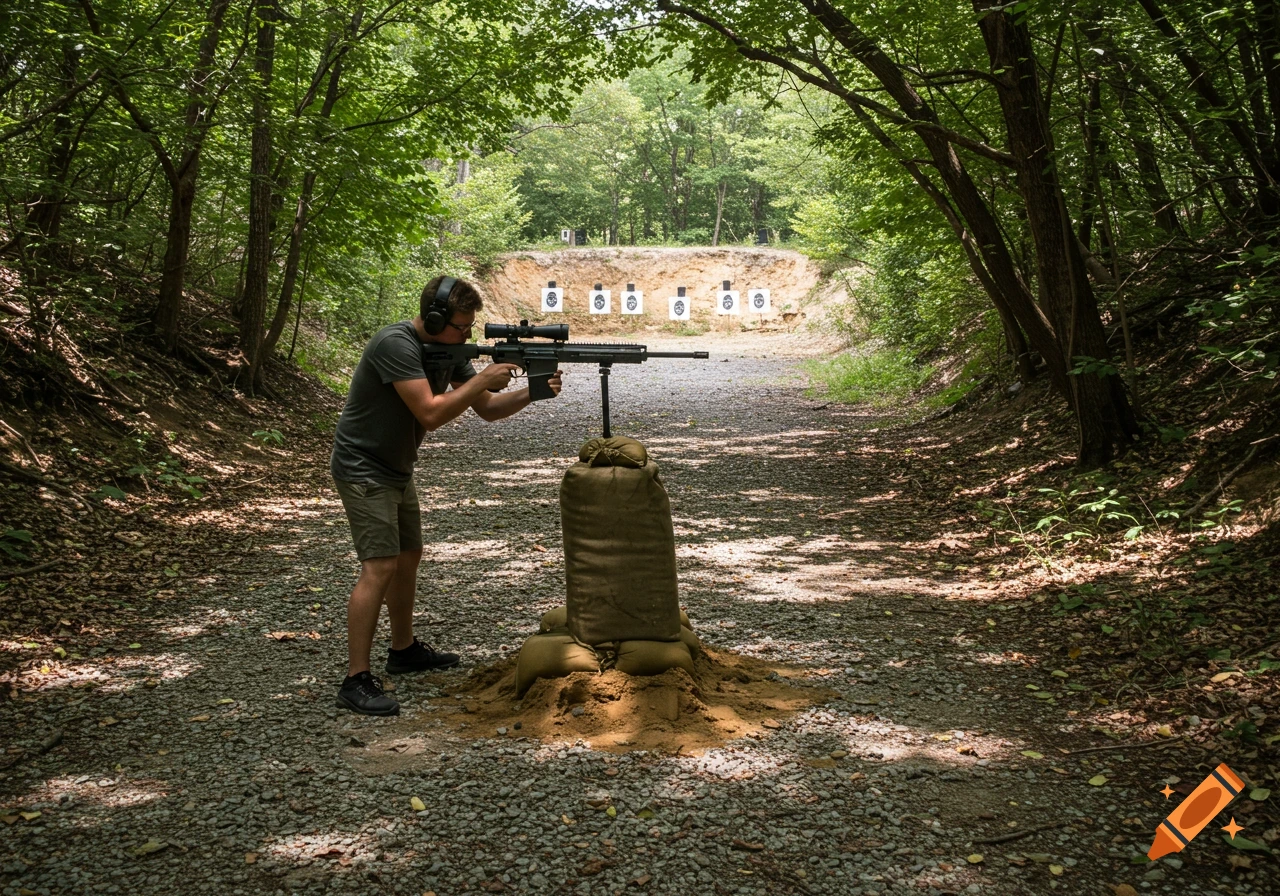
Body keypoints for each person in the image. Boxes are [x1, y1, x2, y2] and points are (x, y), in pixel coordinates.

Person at [329, 275, 562, 715]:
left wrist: (531, 392)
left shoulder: (447, 349)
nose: (467, 335)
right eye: (460, 327)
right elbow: (431, 413)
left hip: (396, 466)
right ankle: (355, 680)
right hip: (363, 466)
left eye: (470, 327)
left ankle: (403, 651)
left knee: (408, 555)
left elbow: (488, 409)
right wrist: (484, 378)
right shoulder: (395, 345)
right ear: (435, 319)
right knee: (379, 565)